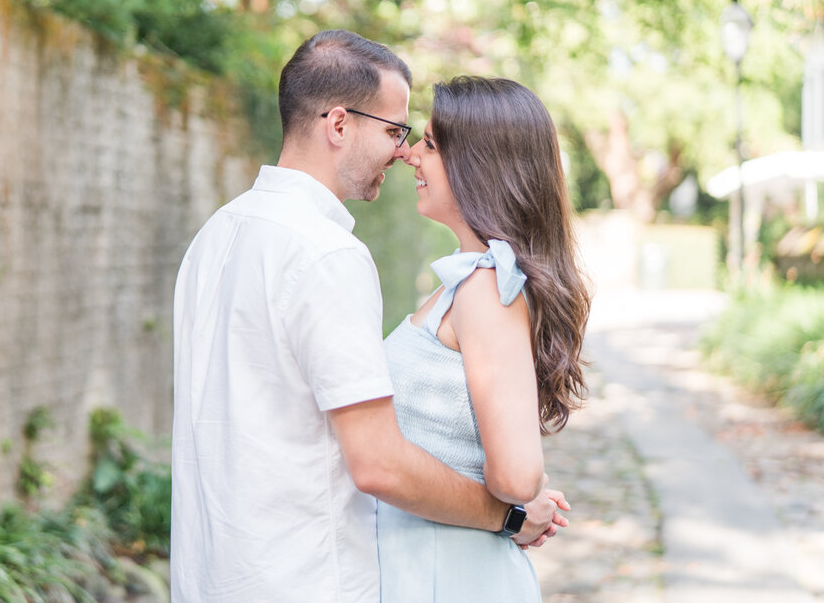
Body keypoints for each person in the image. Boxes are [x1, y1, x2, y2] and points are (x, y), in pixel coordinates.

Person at [171, 32, 566, 603]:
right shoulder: (326, 254)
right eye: (396, 132)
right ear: (338, 125)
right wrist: (507, 518)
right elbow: (378, 463)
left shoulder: (215, 238)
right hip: (304, 579)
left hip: (212, 575)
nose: (404, 153)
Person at [376, 75, 592, 602]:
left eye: (429, 143)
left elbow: (518, 475)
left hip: (446, 574)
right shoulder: (472, 282)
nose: (410, 156)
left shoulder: (485, 286)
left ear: (477, 163)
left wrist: (515, 512)